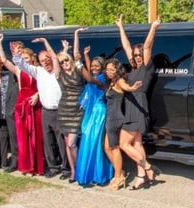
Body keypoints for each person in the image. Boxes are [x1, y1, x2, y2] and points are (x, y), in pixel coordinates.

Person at [2, 33, 66, 179]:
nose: (45, 62)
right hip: (45, 111)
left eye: (47, 59)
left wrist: (45, 42)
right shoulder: (38, 72)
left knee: (61, 141)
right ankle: (53, 167)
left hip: (59, 111)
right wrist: (16, 55)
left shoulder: (57, 72)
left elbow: (55, 58)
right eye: (43, 60)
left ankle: (66, 168)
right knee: (48, 141)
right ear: (40, 61)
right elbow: (22, 65)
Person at [115, 14, 161, 189]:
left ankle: (148, 167)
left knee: (123, 144)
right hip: (131, 107)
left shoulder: (146, 69)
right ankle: (141, 176)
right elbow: (126, 46)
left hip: (138, 108)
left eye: (140, 54)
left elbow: (148, 45)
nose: (137, 57)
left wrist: (153, 27)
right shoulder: (133, 69)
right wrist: (120, 27)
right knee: (136, 143)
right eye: (135, 55)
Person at [0, 28, 46, 176]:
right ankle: (26, 166)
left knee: (36, 136)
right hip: (22, 104)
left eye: (26, 58)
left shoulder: (38, 70)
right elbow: (3, 60)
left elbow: (45, 86)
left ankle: (37, 165)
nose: (24, 60)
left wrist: (37, 95)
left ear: (32, 58)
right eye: (22, 58)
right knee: (22, 137)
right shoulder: (18, 71)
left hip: (35, 103)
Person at [74, 27, 115, 186]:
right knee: (86, 140)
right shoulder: (94, 73)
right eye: (93, 65)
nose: (95, 67)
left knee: (95, 142)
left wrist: (79, 63)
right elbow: (89, 70)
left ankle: (100, 175)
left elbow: (91, 79)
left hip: (99, 112)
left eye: (98, 65)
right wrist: (84, 56)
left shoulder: (102, 79)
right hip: (90, 112)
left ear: (103, 68)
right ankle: (89, 174)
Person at [103, 58, 143, 190]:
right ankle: (120, 171)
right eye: (107, 69)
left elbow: (126, 87)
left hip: (115, 119)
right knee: (107, 147)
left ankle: (118, 176)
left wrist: (132, 88)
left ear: (117, 70)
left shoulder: (119, 81)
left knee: (115, 148)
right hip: (110, 118)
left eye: (112, 70)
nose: (109, 72)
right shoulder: (110, 82)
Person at [56, 36, 88, 182]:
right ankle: (73, 171)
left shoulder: (78, 70)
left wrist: (76, 34)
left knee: (72, 143)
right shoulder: (60, 74)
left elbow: (76, 53)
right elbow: (55, 58)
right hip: (63, 111)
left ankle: (81, 169)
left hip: (77, 111)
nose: (65, 63)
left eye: (66, 60)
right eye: (62, 62)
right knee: (67, 144)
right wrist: (62, 50)